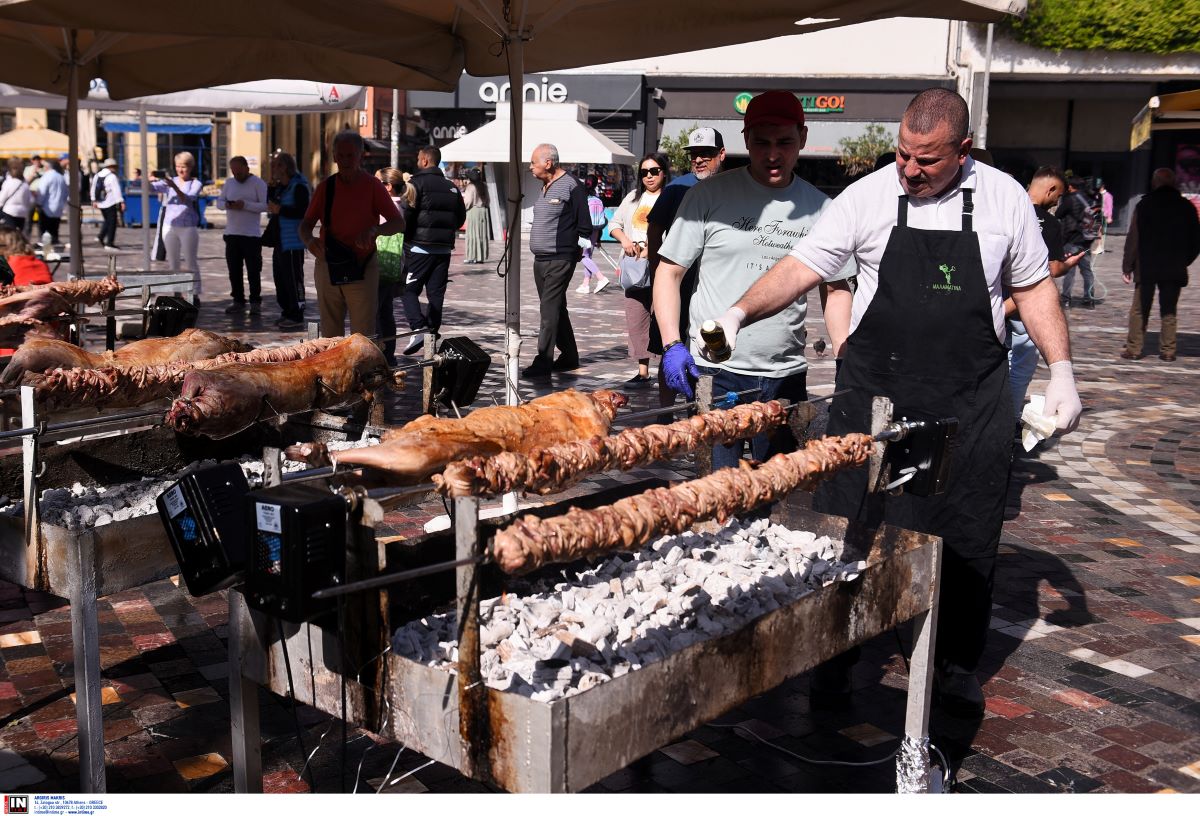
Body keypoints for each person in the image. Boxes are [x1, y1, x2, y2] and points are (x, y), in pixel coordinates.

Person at [713, 88, 1082, 715]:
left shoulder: (1002, 200)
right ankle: (835, 656)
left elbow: (1033, 285)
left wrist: (1064, 370)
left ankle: (949, 663)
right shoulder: (867, 196)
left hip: (969, 400)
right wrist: (739, 309)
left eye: (927, 162)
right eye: (902, 154)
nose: (909, 171)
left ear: (963, 151)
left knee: (963, 534)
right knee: (846, 526)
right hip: (875, 394)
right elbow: (804, 264)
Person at [655, 91, 843, 469]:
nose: (773, 154)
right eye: (762, 142)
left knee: (778, 491)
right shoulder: (708, 195)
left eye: (785, 142)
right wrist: (672, 345)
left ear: (802, 138)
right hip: (716, 369)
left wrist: (843, 352)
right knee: (716, 490)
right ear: (746, 140)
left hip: (785, 372)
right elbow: (668, 272)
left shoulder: (822, 208)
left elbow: (836, 288)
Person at [645, 127, 728, 403]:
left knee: (711, 347)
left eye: (706, 154)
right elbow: (654, 229)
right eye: (694, 155)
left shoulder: (733, 188)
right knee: (671, 347)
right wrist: (657, 271)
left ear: (721, 154)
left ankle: (701, 408)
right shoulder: (677, 188)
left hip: (717, 285)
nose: (699, 160)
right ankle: (666, 413)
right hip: (678, 282)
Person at [299, 131, 405, 338]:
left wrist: (377, 230)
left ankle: (362, 370)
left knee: (363, 335)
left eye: (351, 155)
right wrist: (309, 241)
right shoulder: (325, 188)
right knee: (330, 334)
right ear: (335, 157)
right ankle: (335, 370)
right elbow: (305, 224)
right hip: (328, 265)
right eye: (341, 155)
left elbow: (398, 222)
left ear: (360, 156)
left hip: (363, 266)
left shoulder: (373, 186)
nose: (346, 161)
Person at [1009, 167, 1086, 417]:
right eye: (1058, 195)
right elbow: (1051, 269)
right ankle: (1007, 420)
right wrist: (1069, 264)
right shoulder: (1049, 223)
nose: (1057, 201)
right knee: (1019, 368)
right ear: (1050, 189)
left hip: (994, 300)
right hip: (1024, 312)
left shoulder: (1006, 211)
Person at [522, 143, 591, 379]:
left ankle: (543, 361)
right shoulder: (544, 187)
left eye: (533, 162)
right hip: (540, 259)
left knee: (548, 311)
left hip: (559, 259)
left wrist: (574, 252)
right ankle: (570, 356)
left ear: (548, 163)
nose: (530, 167)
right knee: (556, 308)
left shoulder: (572, 186)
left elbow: (585, 225)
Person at [1120, 168, 1200, 363]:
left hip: (1147, 266)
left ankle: (1134, 349)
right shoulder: (1185, 206)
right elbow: (1196, 240)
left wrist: (1127, 266)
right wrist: (1184, 259)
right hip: (1173, 266)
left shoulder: (1145, 205)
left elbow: (1134, 238)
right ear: (1173, 183)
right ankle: (1168, 350)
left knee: (1139, 309)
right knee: (1169, 310)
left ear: (1155, 183)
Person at [609, 152, 669, 386]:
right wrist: (625, 240)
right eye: (644, 172)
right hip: (634, 267)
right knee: (636, 318)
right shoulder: (634, 198)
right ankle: (643, 371)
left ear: (664, 172)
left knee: (662, 317)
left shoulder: (670, 197)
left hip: (662, 267)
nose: (649, 176)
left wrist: (652, 250)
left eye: (654, 171)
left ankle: (666, 367)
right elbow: (614, 224)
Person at [398, 145, 465, 354]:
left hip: (420, 248)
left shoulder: (415, 184)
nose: (417, 162)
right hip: (443, 250)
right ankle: (432, 335)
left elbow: (406, 216)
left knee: (407, 290)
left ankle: (419, 329)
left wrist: (408, 238)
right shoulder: (452, 187)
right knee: (436, 295)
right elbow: (460, 217)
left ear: (425, 160)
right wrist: (444, 233)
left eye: (419, 158)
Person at [217, 156, 269, 315]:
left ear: (247, 168)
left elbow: (265, 205)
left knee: (253, 270)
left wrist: (245, 205)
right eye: (234, 172)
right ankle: (238, 300)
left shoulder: (258, 183)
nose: (237, 175)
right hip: (232, 234)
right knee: (234, 270)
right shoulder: (229, 183)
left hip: (251, 235)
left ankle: (255, 301)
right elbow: (219, 202)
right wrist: (226, 204)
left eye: (239, 172)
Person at [265, 152, 311, 330]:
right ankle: (286, 311)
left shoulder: (299, 186)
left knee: (293, 278)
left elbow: (302, 212)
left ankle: (297, 313)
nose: (273, 169)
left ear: (284, 167)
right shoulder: (281, 187)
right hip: (280, 240)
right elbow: (270, 203)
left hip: (293, 240)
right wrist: (271, 186)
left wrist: (280, 210)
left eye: (275, 166)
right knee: (280, 278)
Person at [149, 152, 204, 301]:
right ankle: (177, 292)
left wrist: (175, 187)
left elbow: (189, 198)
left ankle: (195, 292)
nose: (180, 170)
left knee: (190, 260)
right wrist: (149, 180)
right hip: (170, 225)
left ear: (191, 167)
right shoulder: (170, 182)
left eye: (184, 167)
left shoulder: (195, 183)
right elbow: (151, 189)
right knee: (173, 261)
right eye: (178, 166)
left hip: (188, 227)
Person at [375, 167, 410, 363]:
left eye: (377, 182)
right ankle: (389, 356)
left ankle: (379, 357)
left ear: (387, 187)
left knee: (375, 313)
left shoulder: (387, 207)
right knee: (386, 312)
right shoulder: (404, 205)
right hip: (395, 265)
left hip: (380, 263)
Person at [1056, 176, 1098, 308]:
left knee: (1069, 270)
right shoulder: (1089, 199)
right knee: (1087, 271)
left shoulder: (1070, 199)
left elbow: (1058, 214)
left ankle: (1066, 298)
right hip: (1086, 239)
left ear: (1070, 186)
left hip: (1072, 238)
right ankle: (1089, 299)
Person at [576, 183, 611, 294]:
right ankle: (586, 284)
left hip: (585, 230)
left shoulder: (583, 200)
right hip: (596, 230)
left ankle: (601, 278)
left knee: (582, 256)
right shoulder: (598, 200)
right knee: (588, 256)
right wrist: (599, 239)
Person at [32, 156, 67, 246]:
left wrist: (38, 203)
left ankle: (46, 251)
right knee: (54, 232)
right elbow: (66, 193)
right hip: (58, 208)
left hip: (46, 208)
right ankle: (55, 248)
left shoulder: (47, 176)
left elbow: (42, 192)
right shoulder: (61, 177)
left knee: (45, 234)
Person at [91, 157, 124, 250]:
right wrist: (121, 202)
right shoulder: (112, 177)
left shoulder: (97, 175)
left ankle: (100, 237)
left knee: (107, 221)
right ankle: (109, 243)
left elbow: (93, 188)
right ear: (112, 166)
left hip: (101, 203)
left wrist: (93, 200)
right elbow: (116, 190)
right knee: (112, 223)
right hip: (110, 202)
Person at [462, 167, 490, 265]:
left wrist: (463, 208)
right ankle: (480, 257)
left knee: (472, 234)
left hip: (473, 211)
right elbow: (488, 200)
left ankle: (471, 256)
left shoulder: (471, 186)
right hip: (483, 211)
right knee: (481, 234)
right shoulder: (484, 185)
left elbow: (468, 201)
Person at [0, 158, 34, 234]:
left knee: (10, 234)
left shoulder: (8, 183)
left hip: (9, 212)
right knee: (19, 234)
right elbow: (31, 200)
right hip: (22, 213)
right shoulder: (25, 184)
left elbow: (1, 199)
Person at [1094, 179, 1114, 254]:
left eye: (1100, 186)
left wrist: (1109, 216)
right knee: (1099, 231)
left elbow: (1110, 206)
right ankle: (1099, 247)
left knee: (1101, 232)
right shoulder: (1098, 195)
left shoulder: (1107, 196)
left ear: (1103, 186)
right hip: (1099, 215)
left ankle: (1100, 247)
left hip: (1104, 215)